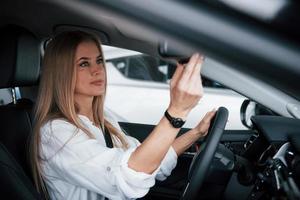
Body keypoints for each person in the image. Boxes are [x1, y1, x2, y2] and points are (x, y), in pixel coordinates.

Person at [29, 31, 216, 200]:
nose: (97, 70)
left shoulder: (104, 118)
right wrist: (176, 112)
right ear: (62, 73)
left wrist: (197, 133)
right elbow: (129, 176)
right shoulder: (55, 133)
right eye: (84, 63)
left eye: (99, 60)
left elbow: (146, 160)